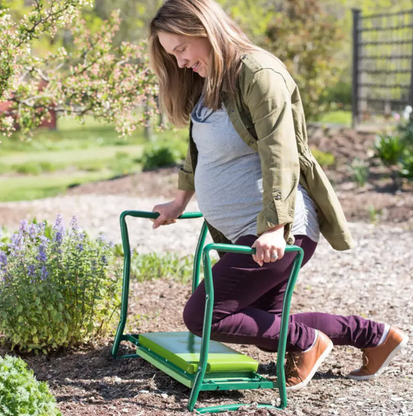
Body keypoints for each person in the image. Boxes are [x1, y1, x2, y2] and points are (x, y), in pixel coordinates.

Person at [147, 0, 408, 390]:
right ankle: (376, 337)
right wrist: (179, 201)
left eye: (182, 50)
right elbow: (200, 151)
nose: (181, 62)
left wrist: (275, 226)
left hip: (278, 230)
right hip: (245, 234)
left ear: (203, 29)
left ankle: (309, 343)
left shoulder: (258, 73)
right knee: (268, 322)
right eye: (173, 55)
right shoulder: (210, 82)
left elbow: (280, 151)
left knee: (204, 315)